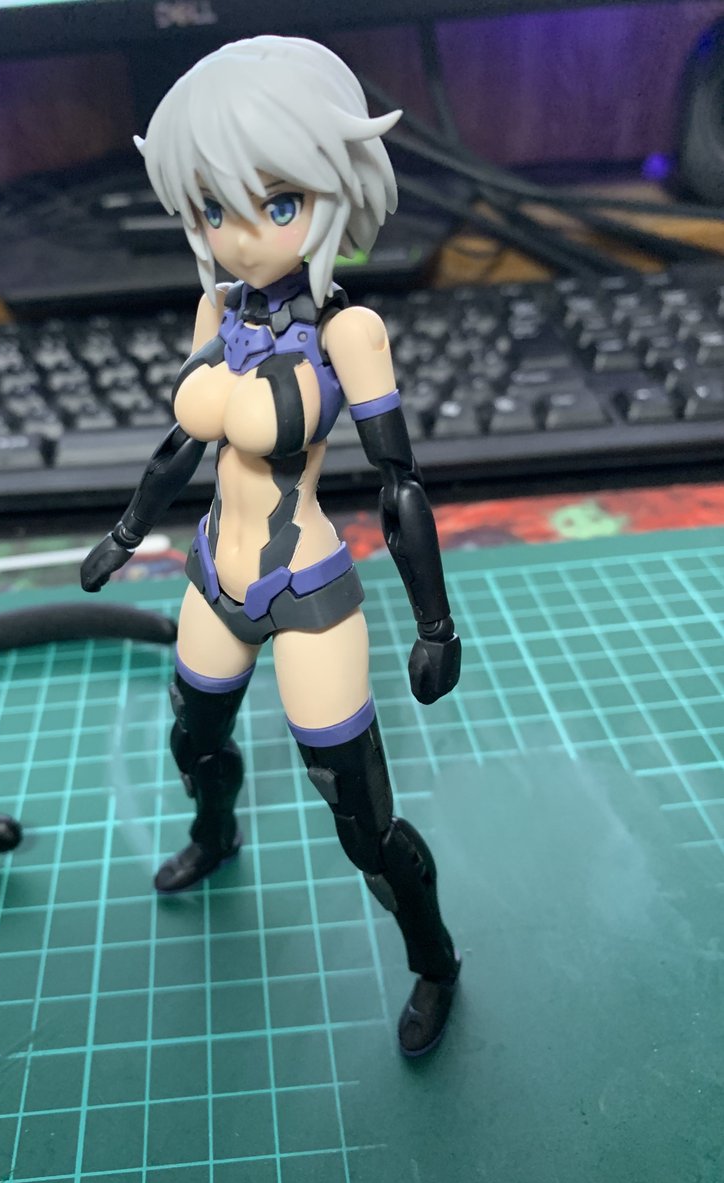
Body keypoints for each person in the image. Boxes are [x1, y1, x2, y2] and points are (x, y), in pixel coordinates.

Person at [81, 35, 462, 1056]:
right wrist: (126, 532)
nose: (243, 236)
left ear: (333, 192)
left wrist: (435, 624)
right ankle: (215, 833)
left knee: (360, 820)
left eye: (278, 203)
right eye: (214, 209)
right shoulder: (217, 309)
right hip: (217, 573)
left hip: (306, 592)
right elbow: (182, 443)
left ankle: (435, 961)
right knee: (193, 742)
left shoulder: (347, 333)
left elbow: (398, 482)